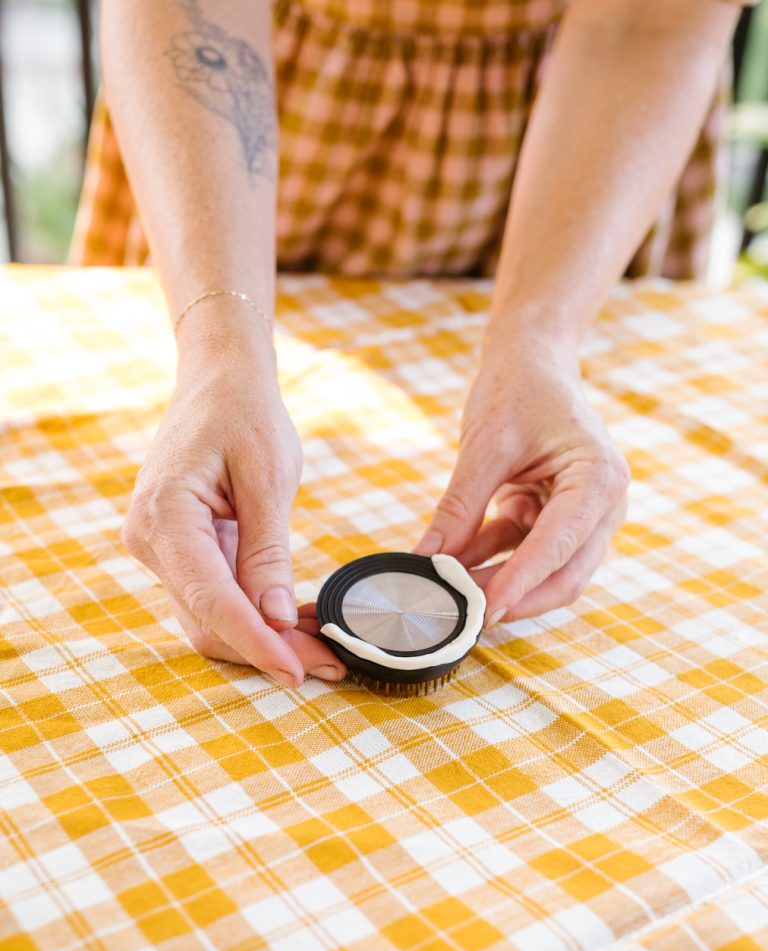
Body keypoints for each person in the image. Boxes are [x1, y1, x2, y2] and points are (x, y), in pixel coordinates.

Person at [74, 0, 752, 688]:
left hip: (584, 163)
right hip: (234, 157)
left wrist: (541, 341)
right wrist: (219, 350)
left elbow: (646, 20)